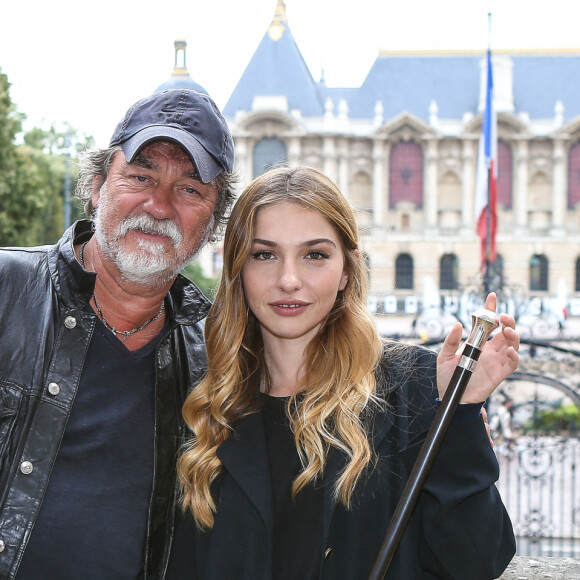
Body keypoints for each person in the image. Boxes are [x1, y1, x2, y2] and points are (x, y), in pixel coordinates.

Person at [175, 165, 519, 580]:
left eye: (315, 255)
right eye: (264, 254)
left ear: (347, 270)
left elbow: (475, 561)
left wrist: (459, 414)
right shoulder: (200, 399)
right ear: (237, 269)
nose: (288, 280)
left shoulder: (417, 386)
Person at [0, 88, 235, 579]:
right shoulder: (6, 291)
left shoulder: (218, 357)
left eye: (190, 189)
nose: (159, 205)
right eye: (140, 176)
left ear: (212, 222)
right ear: (97, 186)